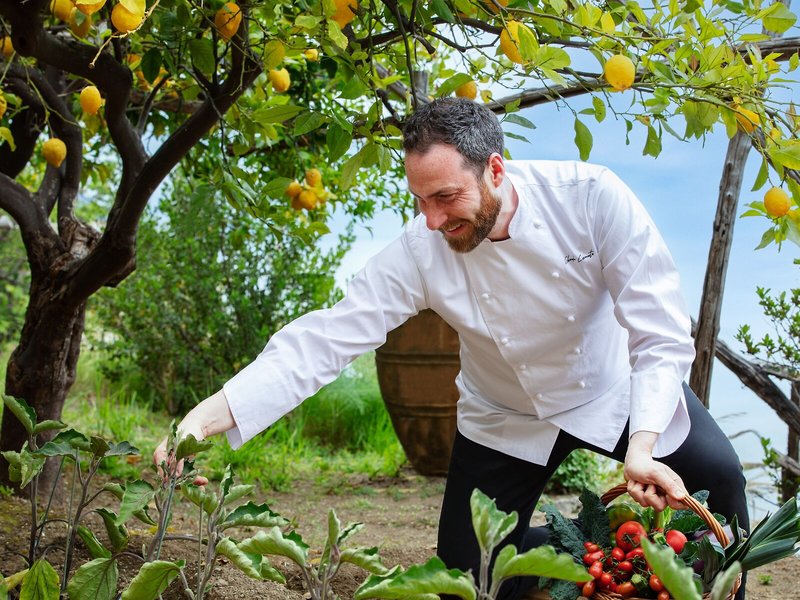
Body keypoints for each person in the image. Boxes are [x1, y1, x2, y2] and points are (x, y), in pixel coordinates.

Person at [154, 97, 748, 600]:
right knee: (469, 579)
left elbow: (659, 329)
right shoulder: (421, 248)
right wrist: (202, 421)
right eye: (420, 201)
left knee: (722, 479)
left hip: (609, 388)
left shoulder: (591, 198)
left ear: (494, 169)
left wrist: (641, 447)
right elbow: (324, 338)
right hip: (505, 414)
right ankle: (588, 542)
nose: (433, 220)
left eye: (445, 197)